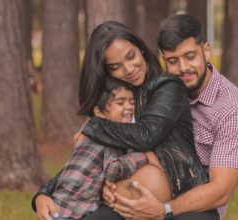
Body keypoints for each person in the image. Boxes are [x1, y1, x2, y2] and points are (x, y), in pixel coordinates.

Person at [32, 20, 219, 220]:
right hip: (124, 207)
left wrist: (94, 125)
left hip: (181, 201)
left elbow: (145, 135)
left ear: (141, 50)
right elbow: (88, 157)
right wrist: (44, 192)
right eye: (115, 66)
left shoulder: (167, 87)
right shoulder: (117, 107)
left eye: (131, 56)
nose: (129, 69)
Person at [103, 14, 238, 220]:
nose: (183, 68)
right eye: (173, 61)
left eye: (190, 56)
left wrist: (163, 209)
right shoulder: (160, 89)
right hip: (143, 188)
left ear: (206, 50)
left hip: (193, 209)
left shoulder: (232, 110)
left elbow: (220, 191)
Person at [42, 78, 154, 220]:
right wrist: (144, 157)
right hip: (70, 212)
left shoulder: (88, 134)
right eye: (120, 102)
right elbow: (113, 170)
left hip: (58, 206)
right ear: (99, 112)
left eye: (132, 102)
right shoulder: (110, 136)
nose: (129, 107)